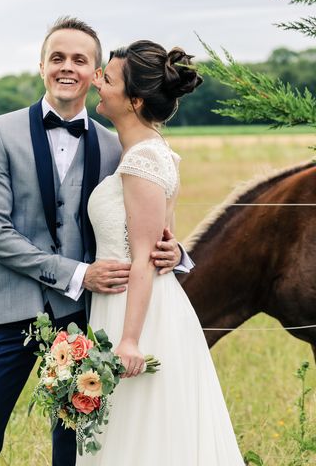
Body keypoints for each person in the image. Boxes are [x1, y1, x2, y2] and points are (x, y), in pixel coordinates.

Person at [0, 18, 192, 466]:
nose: (67, 67)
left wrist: (178, 252)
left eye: (79, 60)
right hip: (9, 310)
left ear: (96, 73)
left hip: (83, 319)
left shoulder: (117, 146)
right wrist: (80, 273)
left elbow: (145, 223)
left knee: (76, 452)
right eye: (57, 57)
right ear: (40, 65)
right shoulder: (0, 132)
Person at [77, 41, 243, 465]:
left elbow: (144, 257)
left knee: (139, 435)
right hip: (132, 303)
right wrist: (176, 250)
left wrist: (130, 340)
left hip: (136, 314)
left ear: (134, 100)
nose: (97, 81)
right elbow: (161, 243)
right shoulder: (151, 150)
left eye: (107, 79)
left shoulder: (143, 160)